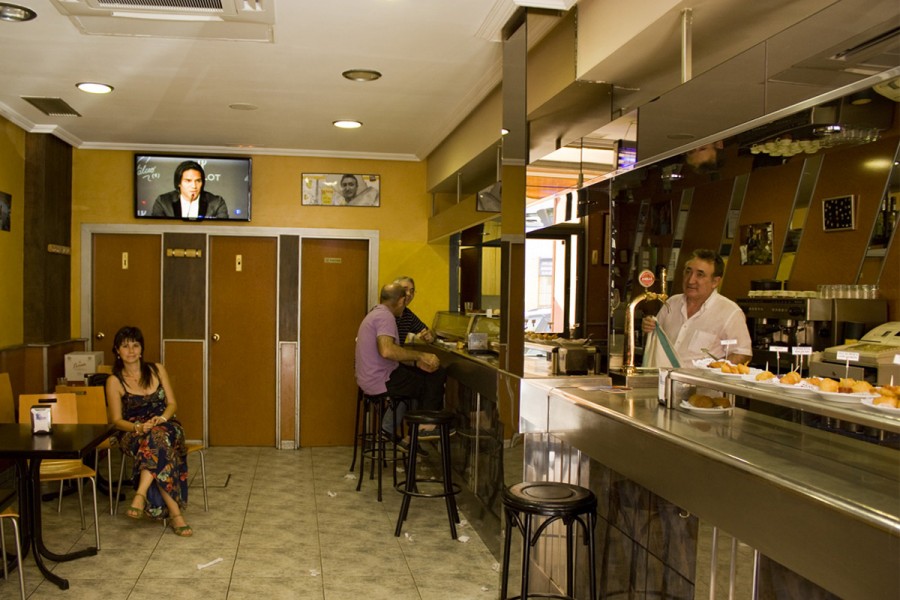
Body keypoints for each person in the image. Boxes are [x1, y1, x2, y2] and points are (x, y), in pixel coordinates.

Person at [105, 326, 192, 537]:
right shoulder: (114, 381)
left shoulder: (157, 370)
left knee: (158, 437)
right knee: (158, 444)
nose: (131, 350)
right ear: (117, 351)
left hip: (168, 426)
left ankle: (141, 493)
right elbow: (116, 421)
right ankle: (176, 515)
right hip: (132, 432)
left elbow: (172, 404)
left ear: (142, 349)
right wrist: (138, 427)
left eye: (135, 345)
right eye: (125, 346)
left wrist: (161, 419)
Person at [355, 283, 445, 446]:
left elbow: (389, 354)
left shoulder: (375, 313)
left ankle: (410, 435)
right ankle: (423, 428)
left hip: (369, 378)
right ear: (402, 300)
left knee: (419, 377)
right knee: (434, 376)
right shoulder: (386, 317)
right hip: (380, 380)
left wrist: (417, 363)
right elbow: (387, 351)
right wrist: (421, 355)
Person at [642, 249, 752, 367]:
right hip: (662, 377)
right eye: (688, 272)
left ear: (715, 282)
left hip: (701, 379)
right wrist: (648, 328)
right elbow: (655, 342)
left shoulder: (730, 312)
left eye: (700, 275)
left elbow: (742, 354)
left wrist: (714, 370)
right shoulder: (671, 303)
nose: (690, 280)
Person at [150, 160, 229, 219]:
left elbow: (222, 230)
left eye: (198, 181)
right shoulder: (163, 202)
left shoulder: (217, 202)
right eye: (188, 181)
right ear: (179, 183)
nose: (194, 186)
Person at [394, 276, 435, 345]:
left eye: (412, 291)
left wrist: (429, 335)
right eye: (404, 290)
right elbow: (386, 348)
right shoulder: (384, 312)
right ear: (394, 292)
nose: (409, 294)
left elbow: (426, 330)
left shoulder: (407, 315)